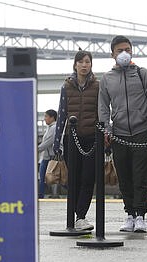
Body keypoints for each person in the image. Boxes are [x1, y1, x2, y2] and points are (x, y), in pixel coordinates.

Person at [98, 35, 147, 233]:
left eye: (127, 49)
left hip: (142, 132)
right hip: (119, 134)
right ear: (112, 54)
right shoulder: (107, 78)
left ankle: (141, 215)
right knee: (124, 176)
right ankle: (129, 214)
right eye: (120, 50)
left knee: (140, 175)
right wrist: (106, 129)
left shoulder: (143, 74)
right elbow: (103, 107)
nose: (124, 53)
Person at [53, 50, 98, 231]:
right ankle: (73, 215)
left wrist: (105, 136)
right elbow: (62, 113)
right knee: (73, 178)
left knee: (88, 178)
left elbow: (101, 111)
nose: (84, 65)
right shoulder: (67, 86)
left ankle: (81, 216)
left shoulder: (97, 86)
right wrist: (57, 141)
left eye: (87, 62)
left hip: (91, 138)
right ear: (75, 65)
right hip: (71, 138)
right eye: (81, 62)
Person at [37, 109, 57, 199]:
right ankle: (41, 195)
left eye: (46, 116)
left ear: (52, 118)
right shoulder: (50, 127)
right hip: (46, 156)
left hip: (49, 157)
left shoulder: (53, 128)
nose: (44, 118)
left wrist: (36, 150)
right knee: (44, 177)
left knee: (47, 177)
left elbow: (47, 142)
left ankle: (41, 196)